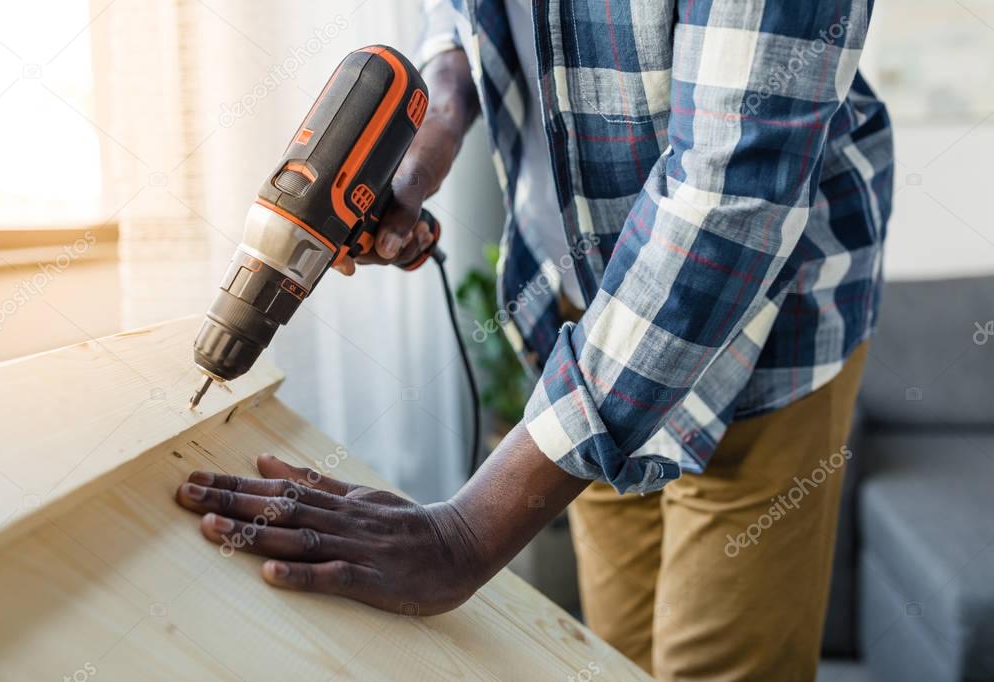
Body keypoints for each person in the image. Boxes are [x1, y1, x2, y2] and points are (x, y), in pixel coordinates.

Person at [176, 0, 893, 678]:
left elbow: (733, 192)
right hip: (586, 326)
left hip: (761, 333)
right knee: (610, 660)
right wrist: (448, 103)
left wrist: (465, 534)